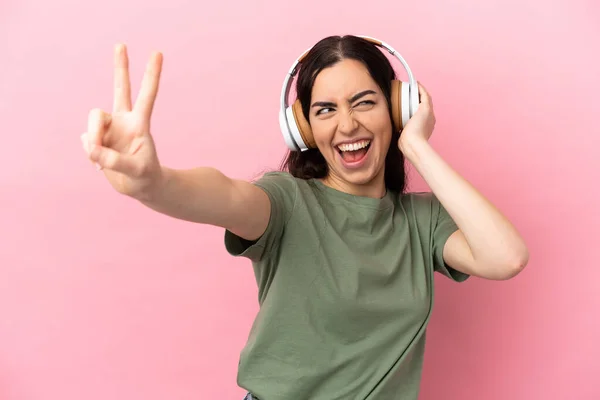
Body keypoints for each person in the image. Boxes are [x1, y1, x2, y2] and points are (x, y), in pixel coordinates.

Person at [81, 35, 529, 400]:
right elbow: (221, 194)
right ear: (304, 129)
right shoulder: (287, 203)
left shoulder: (422, 221)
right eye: (325, 110)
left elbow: (506, 257)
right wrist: (152, 182)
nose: (348, 125)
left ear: (398, 109)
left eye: (365, 102)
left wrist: (417, 146)